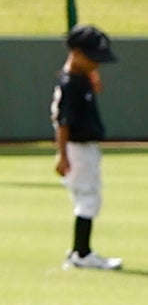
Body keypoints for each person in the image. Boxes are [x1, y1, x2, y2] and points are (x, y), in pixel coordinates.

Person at [59, 26, 120, 269]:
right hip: (78, 148)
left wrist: (92, 82)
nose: (97, 64)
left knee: (89, 198)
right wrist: (62, 156)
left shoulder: (80, 79)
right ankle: (82, 254)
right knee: (87, 200)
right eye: (93, 58)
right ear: (77, 53)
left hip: (84, 147)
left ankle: (79, 251)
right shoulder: (71, 84)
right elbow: (63, 123)